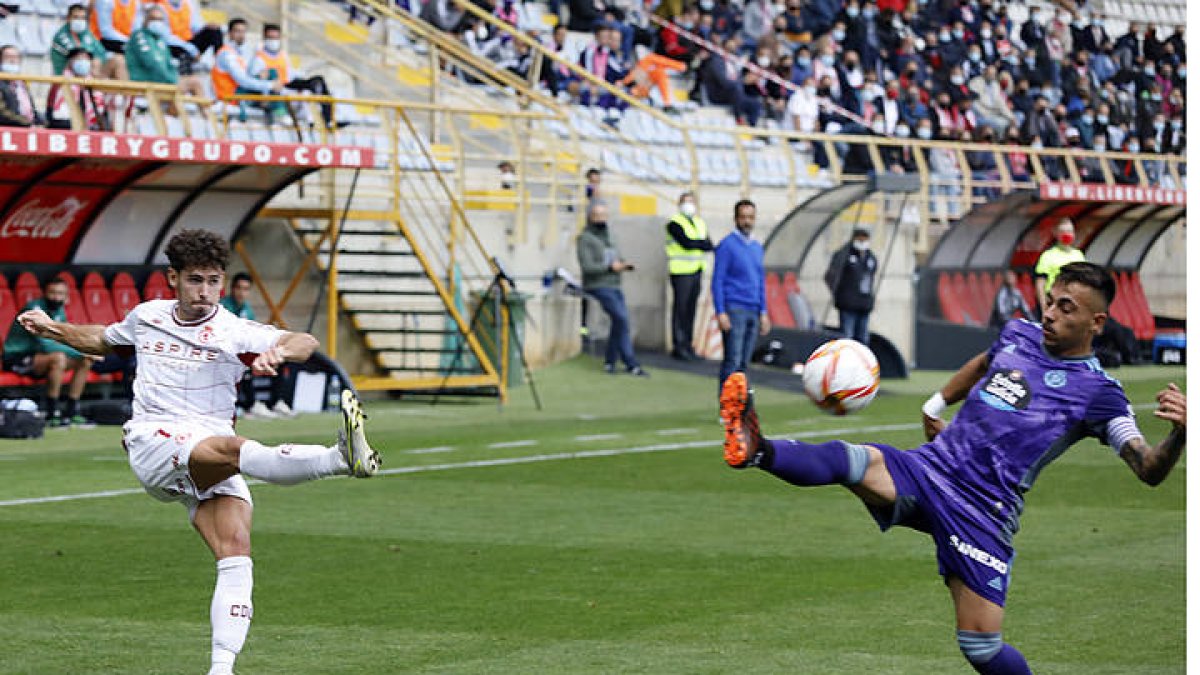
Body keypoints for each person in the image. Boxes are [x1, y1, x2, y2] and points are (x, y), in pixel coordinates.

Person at [719, 261, 1187, 675]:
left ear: (1096, 322)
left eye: (1066, 308)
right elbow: (983, 364)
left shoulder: (1100, 393)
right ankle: (757, 447)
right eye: (1049, 301)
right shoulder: (1019, 333)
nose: (1050, 313)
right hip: (932, 469)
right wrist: (937, 401)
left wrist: (1182, 432)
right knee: (855, 460)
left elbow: (1147, 467)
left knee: (981, 647)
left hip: (983, 512)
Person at [15, 229, 380, 675]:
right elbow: (101, 339)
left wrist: (277, 354)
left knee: (236, 551)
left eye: (213, 280)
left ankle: (220, 669)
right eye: (195, 280)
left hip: (205, 451)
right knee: (231, 448)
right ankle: (339, 459)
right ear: (174, 278)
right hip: (154, 440)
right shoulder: (148, 316)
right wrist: (52, 327)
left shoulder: (233, 330)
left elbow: (306, 342)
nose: (205, 291)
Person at [3, 277, 93, 427]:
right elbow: (47, 345)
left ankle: (72, 411)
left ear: (66, 295)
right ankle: (52, 413)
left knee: (86, 360)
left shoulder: (58, 309)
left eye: (61, 294)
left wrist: (86, 352)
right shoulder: (34, 310)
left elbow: (62, 338)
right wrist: (82, 349)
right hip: (16, 358)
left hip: (41, 359)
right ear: (44, 293)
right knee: (58, 358)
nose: (57, 297)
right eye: (53, 293)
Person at [576, 201, 648, 377]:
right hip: (598, 285)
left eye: (604, 215)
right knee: (621, 319)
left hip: (614, 284)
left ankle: (612, 361)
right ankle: (629, 362)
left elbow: (617, 257)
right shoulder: (585, 239)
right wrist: (609, 268)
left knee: (622, 322)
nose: (601, 219)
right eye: (597, 215)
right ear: (590, 217)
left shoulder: (611, 236)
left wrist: (623, 265)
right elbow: (587, 267)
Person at [711, 199, 768, 390]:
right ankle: (727, 408)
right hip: (735, 308)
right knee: (732, 360)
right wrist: (720, 311)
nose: (747, 221)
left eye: (750, 217)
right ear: (735, 219)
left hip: (753, 308)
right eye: (743, 217)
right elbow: (717, 280)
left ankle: (740, 404)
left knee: (744, 363)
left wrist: (764, 311)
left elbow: (760, 280)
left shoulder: (756, 247)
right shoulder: (727, 245)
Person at [219, 272, 292, 419]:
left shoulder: (247, 309)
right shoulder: (223, 307)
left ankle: (276, 402)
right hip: (228, 351)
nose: (241, 292)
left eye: (246, 289)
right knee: (245, 362)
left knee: (280, 359)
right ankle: (252, 405)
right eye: (239, 288)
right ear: (232, 289)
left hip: (245, 348)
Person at [248, 23, 335, 129]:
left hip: (288, 83)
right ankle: (310, 118)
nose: (273, 41)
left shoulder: (282, 54)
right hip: (275, 88)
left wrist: (301, 75)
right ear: (264, 38)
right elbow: (255, 80)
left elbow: (289, 72)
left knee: (317, 81)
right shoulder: (258, 59)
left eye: (276, 38)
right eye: (270, 38)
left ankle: (328, 119)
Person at [665, 191, 713, 361]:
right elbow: (686, 243)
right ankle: (678, 345)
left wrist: (698, 245)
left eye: (691, 201)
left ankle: (688, 344)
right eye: (686, 201)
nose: (689, 205)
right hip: (681, 271)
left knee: (691, 309)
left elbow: (708, 244)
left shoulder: (699, 223)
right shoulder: (674, 223)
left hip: (696, 270)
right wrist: (699, 244)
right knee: (681, 309)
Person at [126, 4, 205, 98]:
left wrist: (172, 78)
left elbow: (169, 64)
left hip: (161, 81)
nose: (157, 23)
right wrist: (172, 80)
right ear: (145, 20)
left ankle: (202, 111)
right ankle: (171, 109)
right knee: (188, 83)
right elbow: (152, 63)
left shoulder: (160, 40)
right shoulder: (139, 36)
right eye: (153, 19)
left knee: (194, 81)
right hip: (145, 80)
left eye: (160, 20)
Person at [212, 18, 284, 119]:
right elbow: (242, 81)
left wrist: (260, 75)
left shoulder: (238, 53)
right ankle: (279, 113)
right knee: (271, 82)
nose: (241, 35)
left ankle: (276, 110)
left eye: (243, 31)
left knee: (270, 72)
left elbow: (246, 77)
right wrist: (269, 85)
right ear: (230, 33)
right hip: (231, 96)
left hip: (240, 92)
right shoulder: (226, 54)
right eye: (237, 31)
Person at [824, 226, 877, 345]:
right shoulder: (844, 255)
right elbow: (830, 276)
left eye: (865, 238)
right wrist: (839, 294)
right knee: (847, 336)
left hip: (864, 304)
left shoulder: (870, 257)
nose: (863, 242)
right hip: (848, 303)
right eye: (860, 238)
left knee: (863, 338)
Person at [51, 4, 128, 80]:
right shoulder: (62, 36)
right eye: (76, 17)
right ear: (68, 19)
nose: (80, 21)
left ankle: (127, 91)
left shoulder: (85, 32)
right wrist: (94, 61)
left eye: (83, 18)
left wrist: (97, 60)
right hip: (67, 76)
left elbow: (101, 52)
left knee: (119, 60)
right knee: (89, 63)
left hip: (90, 72)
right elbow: (78, 57)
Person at [46, 49, 111, 131]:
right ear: (70, 62)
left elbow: (102, 117)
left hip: (92, 130)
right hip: (66, 127)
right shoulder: (60, 84)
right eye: (79, 58)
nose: (83, 62)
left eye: (86, 59)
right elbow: (56, 116)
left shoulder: (94, 85)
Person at [1034, 218, 1086, 303]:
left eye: (1069, 231)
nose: (1067, 234)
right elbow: (1040, 283)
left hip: (1074, 300)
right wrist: (1044, 307)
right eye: (1063, 231)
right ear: (1056, 234)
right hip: (1054, 300)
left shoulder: (1079, 255)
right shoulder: (1048, 255)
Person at [0, 46, 42, 128]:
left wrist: (39, 122)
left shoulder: (21, 83)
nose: (12, 60)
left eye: (16, 57)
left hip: (26, 127)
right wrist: (26, 123)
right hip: (10, 128)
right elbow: (2, 112)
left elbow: (31, 109)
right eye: (8, 57)